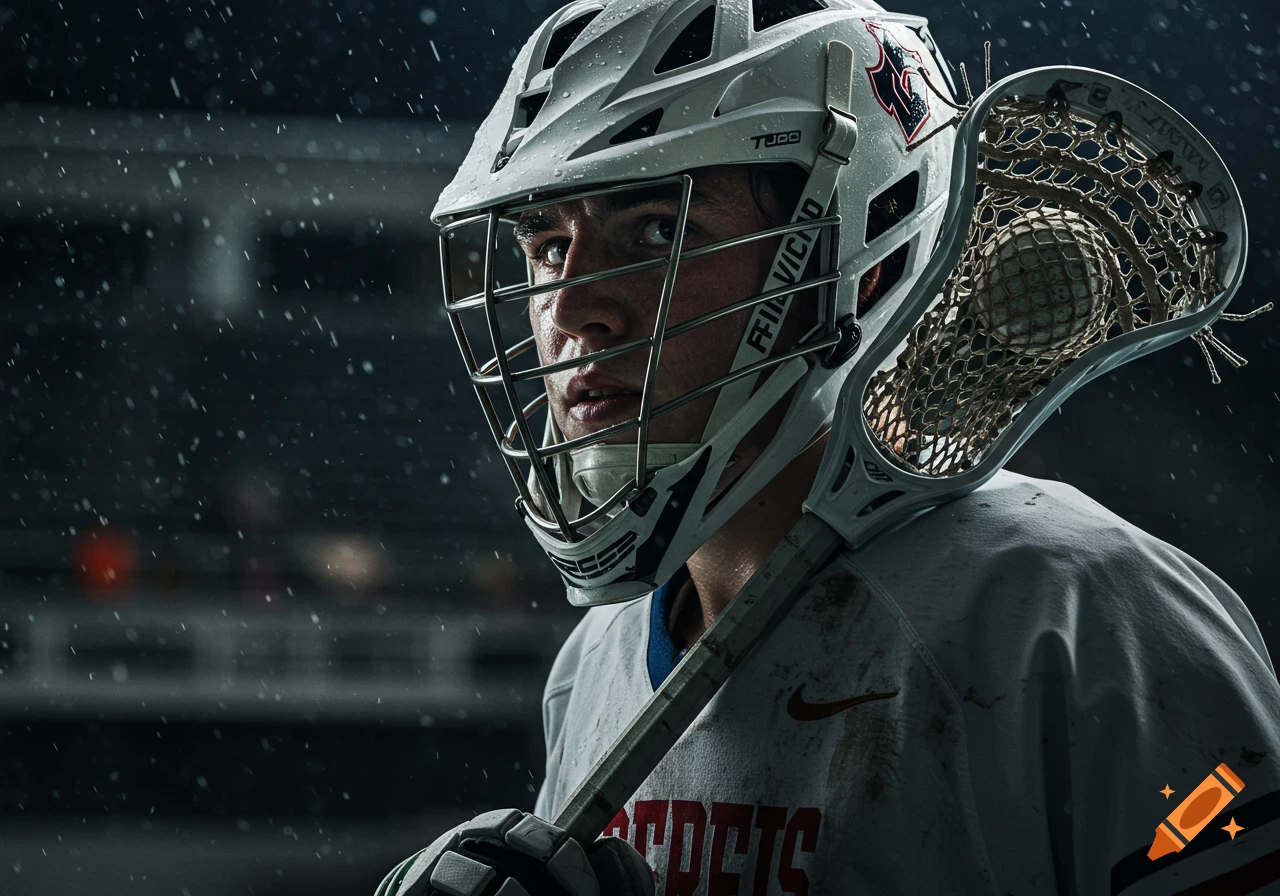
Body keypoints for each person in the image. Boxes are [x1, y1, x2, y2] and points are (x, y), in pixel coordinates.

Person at [377, 1, 1280, 894]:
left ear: (863, 260)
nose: (570, 310)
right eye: (545, 246)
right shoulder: (598, 657)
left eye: (657, 230)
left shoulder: (1087, 618)